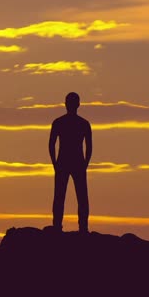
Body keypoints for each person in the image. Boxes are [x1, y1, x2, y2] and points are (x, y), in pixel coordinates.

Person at [48, 91, 92, 232]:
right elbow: (51, 144)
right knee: (67, 196)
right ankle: (75, 227)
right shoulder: (81, 123)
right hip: (72, 162)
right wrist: (55, 163)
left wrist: (85, 164)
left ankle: (77, 227)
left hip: (70, 162)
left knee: (74, 196)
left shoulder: (62, 122)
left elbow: (51, 144)